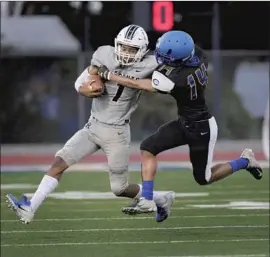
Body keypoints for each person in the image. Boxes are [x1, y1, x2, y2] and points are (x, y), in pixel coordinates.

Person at [6, 25, 175, 224]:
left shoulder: (151, 63)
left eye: (132, 49)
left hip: (117, 132)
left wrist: (112, 76)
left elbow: (162, 86)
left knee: (119, 189)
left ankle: (161, 198)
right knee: (59, 163)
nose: (126, 53)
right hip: (93, 126)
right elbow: (85, 79)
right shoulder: (104, 54)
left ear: (143, 50)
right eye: (123, 47)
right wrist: (87, 88)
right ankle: (30, 208)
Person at [96, 30, 263, 217]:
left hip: (202, 128)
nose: (160, 56)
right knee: (148, 147)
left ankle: (245, 161)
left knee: (204, 178)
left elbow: (138, 84)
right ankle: (148, 200)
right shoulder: (199, 55)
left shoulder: (175, 79)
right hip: (185, 122)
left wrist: (111, 75)